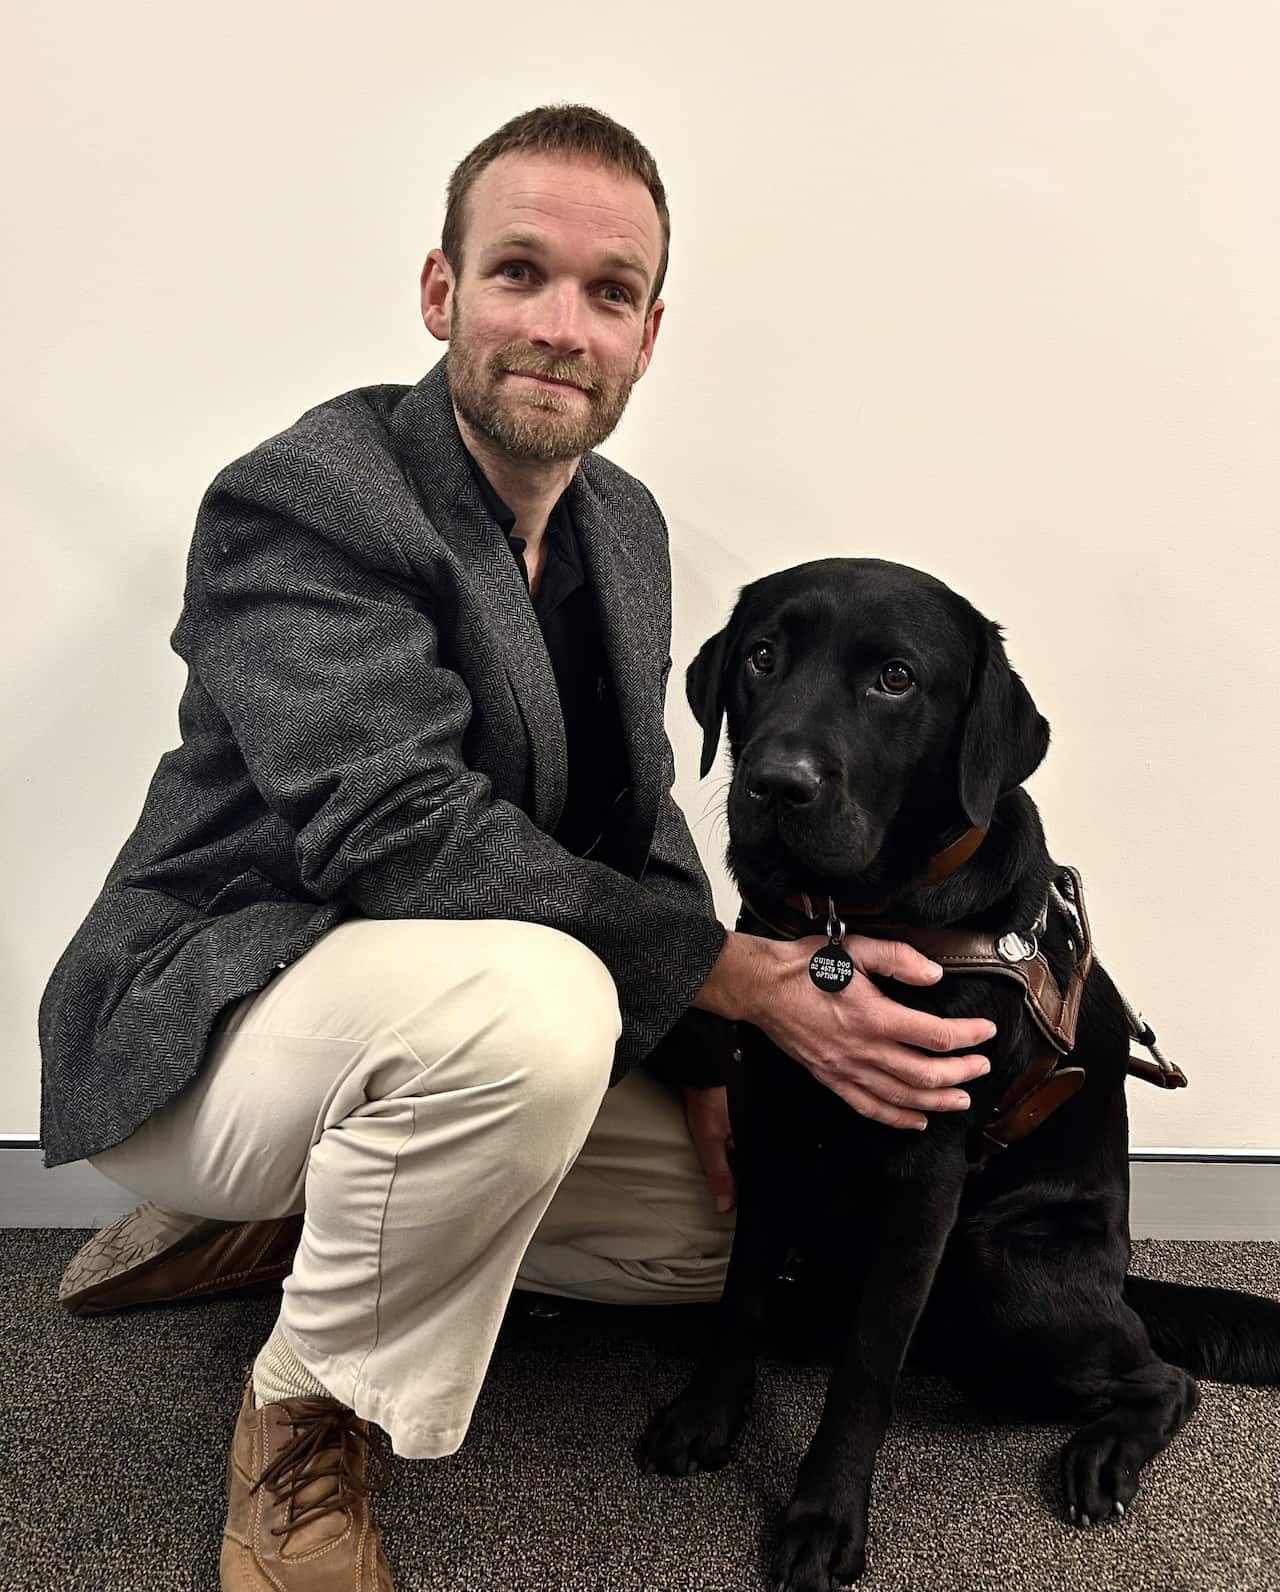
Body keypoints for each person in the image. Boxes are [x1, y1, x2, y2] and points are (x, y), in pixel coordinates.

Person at [38, 104, 996, 1590]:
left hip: (419, 1028)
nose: (562, 325)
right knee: (537, 1013)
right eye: (519, 274)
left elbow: (639, 822)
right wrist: (731, 981)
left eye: (609, 293)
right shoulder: (308, 497)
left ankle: (305, 1224)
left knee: (738, 1225)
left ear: (649, 335)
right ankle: (305, 1427)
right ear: (440, 293)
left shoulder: (624, 527)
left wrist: (705, 1059)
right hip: (218, 1017)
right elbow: (399, 833)